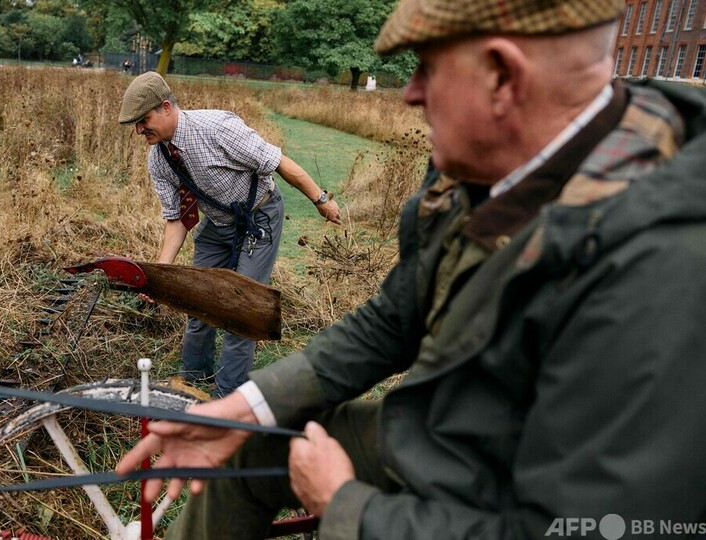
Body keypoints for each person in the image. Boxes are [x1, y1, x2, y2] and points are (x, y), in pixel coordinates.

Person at [117, 0, 706, 538]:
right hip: (442, 426)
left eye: (427, 67)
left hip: (510, 485)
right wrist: (250, 408)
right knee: (250, 451)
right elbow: (396, 316)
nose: (410, 93)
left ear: (503, 76)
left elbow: (598, 523)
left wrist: (348, 506)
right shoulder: (474, 169)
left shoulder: (666, 270)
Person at [118, 71, 341, 398]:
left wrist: (321, 201)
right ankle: (194, 384)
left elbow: (278, 162)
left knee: (240, 312)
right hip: (218, 224)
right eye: (135, 124)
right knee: (199, 303)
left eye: (143, 120)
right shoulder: (160, 161)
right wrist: (157, 275)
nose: (139, 130)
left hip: (259, 216)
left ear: (166, 107)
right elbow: (178, 219)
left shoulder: (218, 129)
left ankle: (226, 401)